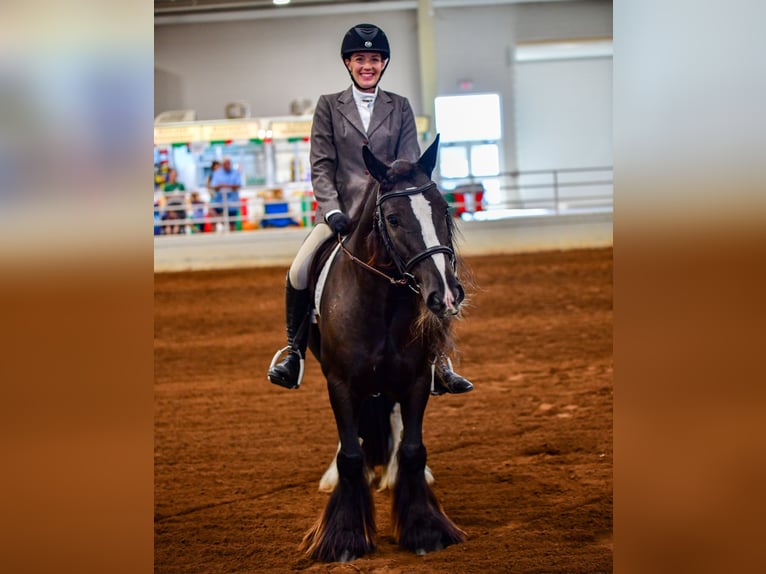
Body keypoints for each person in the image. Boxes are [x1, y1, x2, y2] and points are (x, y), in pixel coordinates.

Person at [267, 23, 474, 395]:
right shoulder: (329, 105)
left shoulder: (401, 106)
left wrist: (402, 204)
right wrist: (330, 209)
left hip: (392, 215)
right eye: (360, 59)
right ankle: (294, 353)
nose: (367, 65)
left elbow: (409, 161)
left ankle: (438, 359)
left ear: (384, 64)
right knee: (298, 270)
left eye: (374, 59)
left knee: (435, 267)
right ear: (348, 63)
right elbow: (321, 164)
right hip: (343, 216)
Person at [209, 157, 241, 231]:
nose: (228, 165)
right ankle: (213, 237)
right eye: (226, 163)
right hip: (219, 201)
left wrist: (224, 185)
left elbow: (238, 185)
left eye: (229, 163)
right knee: (213, 215)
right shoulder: (217, 173)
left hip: (232, 203)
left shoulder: (235, 172)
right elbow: (214, 186)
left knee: (232, 223)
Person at [162, 168, 186, 235]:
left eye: (174, 175)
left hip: (179, 208)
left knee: (176, 222)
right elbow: (166, 198)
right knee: (168, 223)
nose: (173, 176)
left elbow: (183, 197)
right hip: (170, 208)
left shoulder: (181, 185)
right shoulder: (167, 186)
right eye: (172, 175)